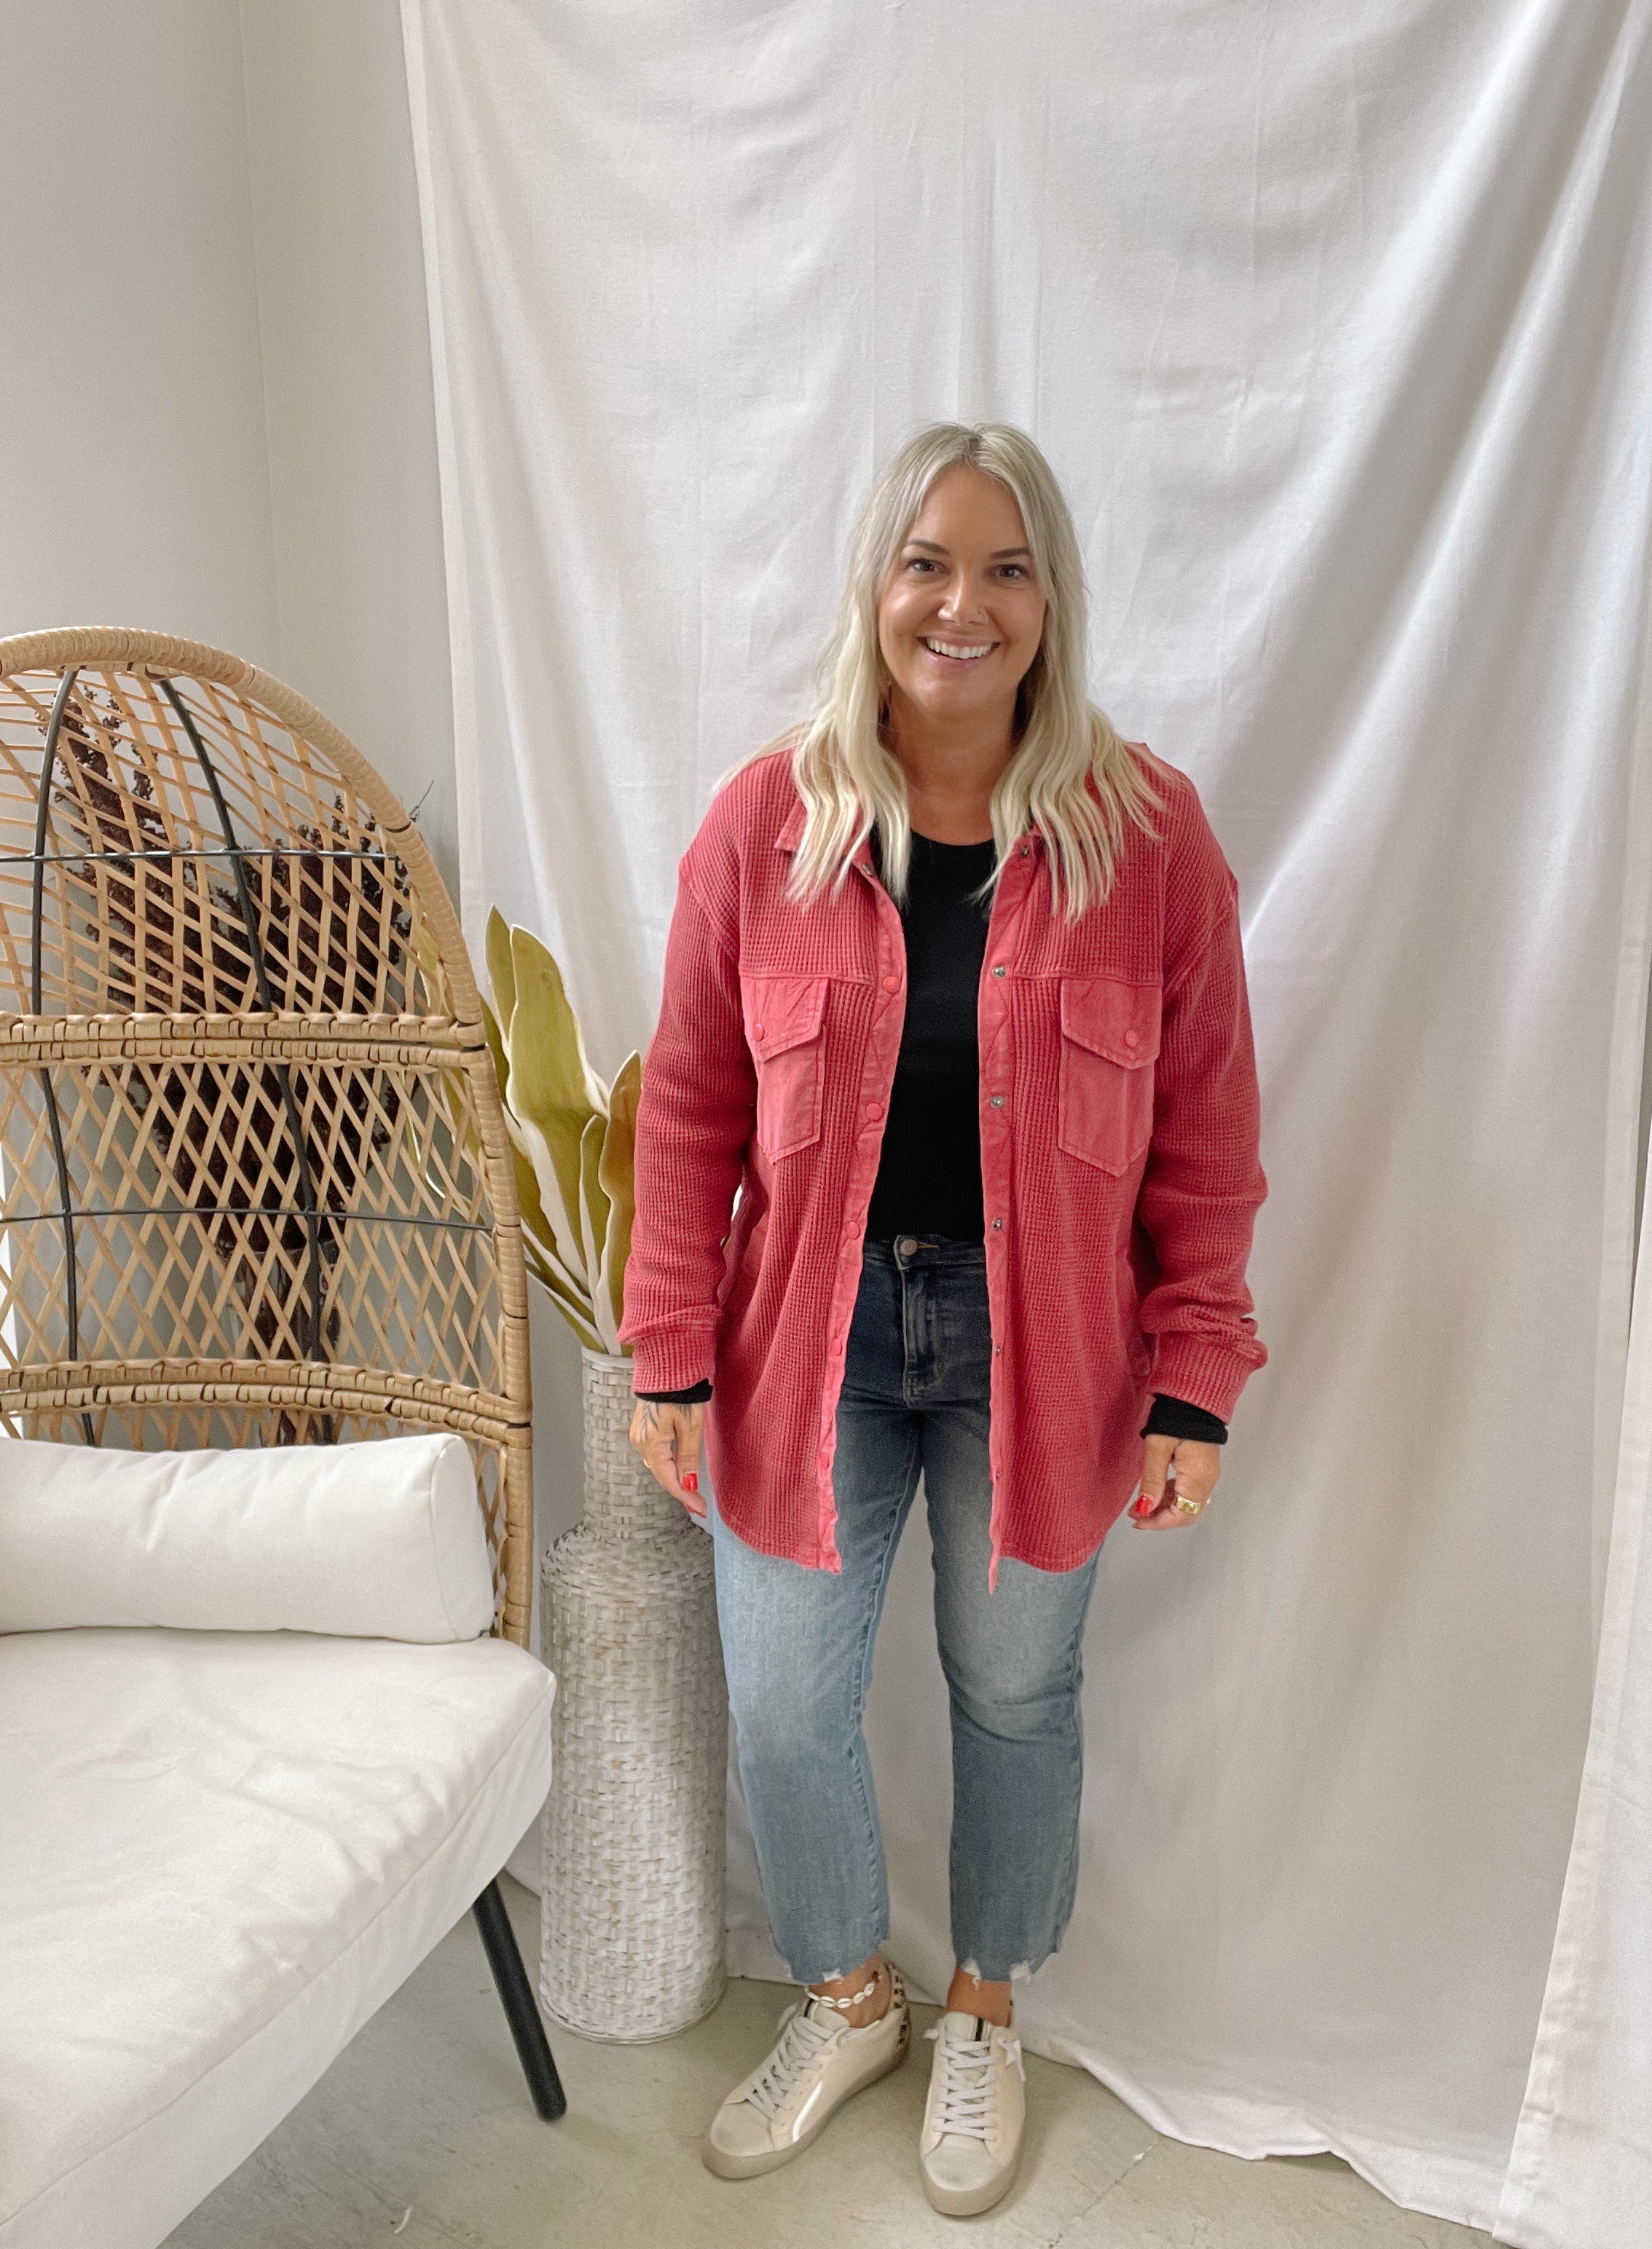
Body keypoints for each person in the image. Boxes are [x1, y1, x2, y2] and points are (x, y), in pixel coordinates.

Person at [620, 421, 1267, 2216]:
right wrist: (669, 1345)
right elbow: (686, 1105)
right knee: (781, 1701)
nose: (959, 605)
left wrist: (1194, 1380)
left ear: (1051, 600)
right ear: (876, 586)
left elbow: (1209, 1132)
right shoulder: (768, 822)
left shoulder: (1148, 838)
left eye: (1003, 567)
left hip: (1045, 1348)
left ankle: (984, 2006)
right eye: (926, 562)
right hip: (807, 1340)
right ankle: (849, 1994)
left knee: (1015, 1689)